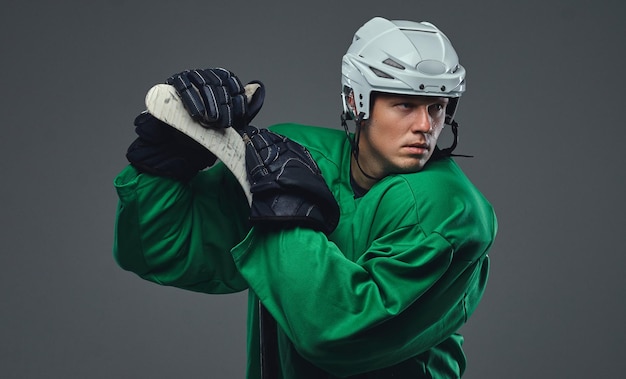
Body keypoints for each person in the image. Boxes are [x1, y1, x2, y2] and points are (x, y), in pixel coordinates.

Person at [113, 16, 497, 378]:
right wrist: (166, 163)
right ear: (355, 101)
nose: (426, 126)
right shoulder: (292, 158)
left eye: (437, 107)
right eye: (405, 105)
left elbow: (337, 334)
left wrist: (284, 213)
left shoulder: (449, 210)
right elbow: (163, 250)